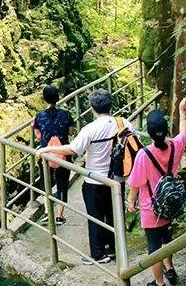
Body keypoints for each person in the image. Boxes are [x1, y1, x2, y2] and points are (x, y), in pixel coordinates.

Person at [40, 88, 135, 265]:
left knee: (95, 216)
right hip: (117, 179)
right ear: (110, 104)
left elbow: (72, 149)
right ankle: (114, 249)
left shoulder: (90, 129)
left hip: (95, 179)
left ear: (92, 108)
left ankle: (98, 254)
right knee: (114, 214)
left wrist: (47, 148)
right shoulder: (125, 123)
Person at [127, 98, 186, 286]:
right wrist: (182, 111)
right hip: (169, 204)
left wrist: (130, 203)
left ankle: (159, 284)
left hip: (151, 208)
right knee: (166, 238)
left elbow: (136, 184)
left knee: (154, 247)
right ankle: (170, 269)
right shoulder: (175, 147)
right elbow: (183, 133)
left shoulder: (144, 155)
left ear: (150, 133)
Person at [32, 85, 75, 225]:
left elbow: (38, 136)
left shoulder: (39, 116)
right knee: (62, 184)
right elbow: (70, 132)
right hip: (63, 154)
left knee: (47, 184)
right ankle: (59, 216)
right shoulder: (66, 114)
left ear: (44, 98)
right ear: (58, 98)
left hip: (46, 155)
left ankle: (46, 213)